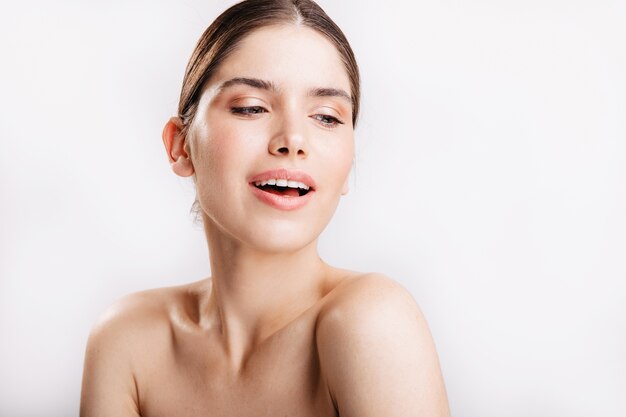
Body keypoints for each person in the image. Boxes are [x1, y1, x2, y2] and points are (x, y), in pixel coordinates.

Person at [79, 0, 451, 415]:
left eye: (326, 117)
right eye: (251, 107)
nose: (293, 139)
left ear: (348, 165)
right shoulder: (128, 341)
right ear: (181, 146)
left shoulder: (371, 321)